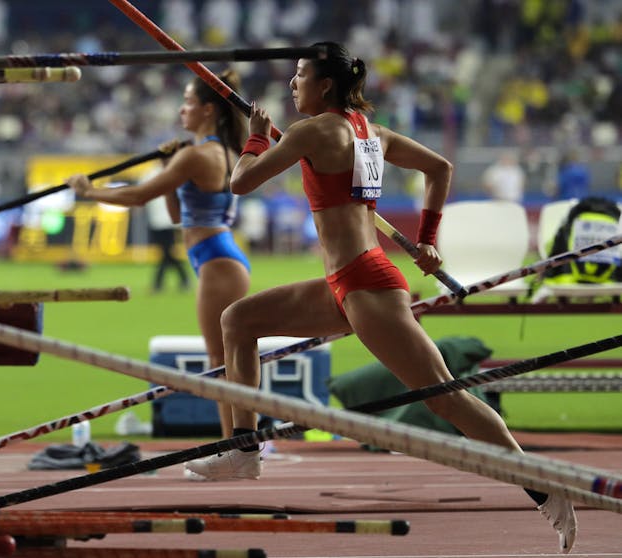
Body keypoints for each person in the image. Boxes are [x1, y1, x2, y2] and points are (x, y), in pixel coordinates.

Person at [183, 42, 577, 554]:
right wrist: (428, 239)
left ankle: (544, 486)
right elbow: (440, 169)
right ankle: (244, 448)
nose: (292, 84)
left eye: (299, 75)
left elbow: (240, 182)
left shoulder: (314, 130)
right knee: (237, 321)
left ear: (324, 85)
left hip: (365, 283)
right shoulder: (372, 132)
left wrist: (256, 138)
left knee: (446, 397)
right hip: (346, 283)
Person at [67, 70, 251, 444]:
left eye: (188, 102)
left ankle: (237, 444)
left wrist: (91, 191)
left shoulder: (199, 155)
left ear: (209, 110)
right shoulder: (220, 152)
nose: (182, 110)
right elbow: (174, 216)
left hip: (217, 259)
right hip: (218, 256)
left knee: (220, 361)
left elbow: (138, 197)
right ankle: (239, 442)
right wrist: (171, 167)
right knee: (224, 360)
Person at [146, 194, 190, 292]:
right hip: (157, 224)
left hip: (168, 224)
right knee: (167, 255)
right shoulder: (150, 180)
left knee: (167, 254)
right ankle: (185, 280)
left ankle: (158, 284)